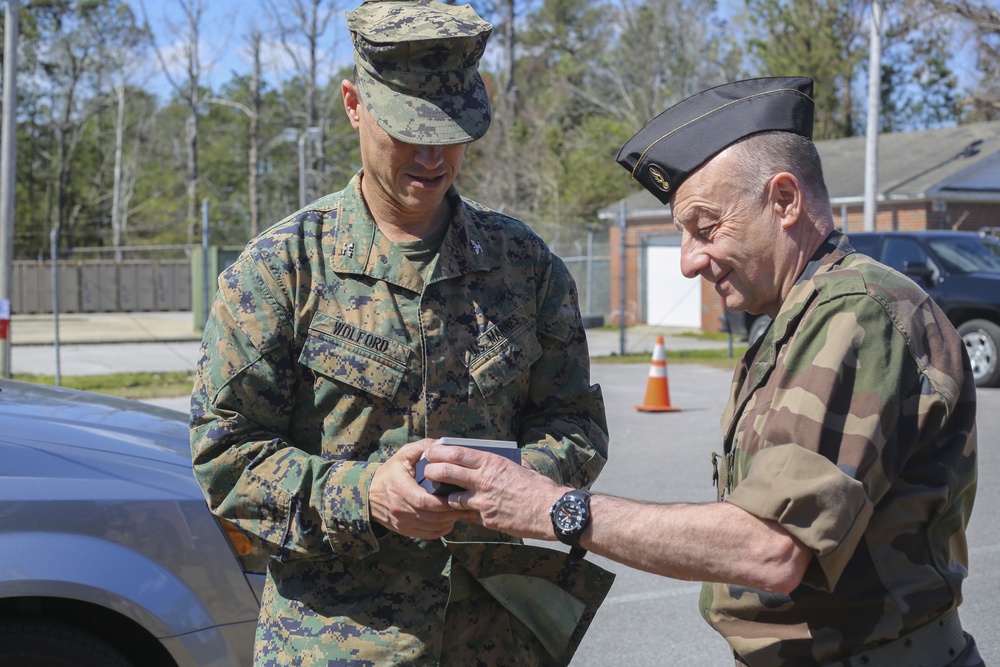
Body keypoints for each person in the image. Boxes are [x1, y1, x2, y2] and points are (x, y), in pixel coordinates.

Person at [422, 76, 983, 666]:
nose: (689, 261)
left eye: (706, 228)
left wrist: (552, 508)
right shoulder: (805, 316)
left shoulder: (857, 315)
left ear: (785, 200)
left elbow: (770, 548)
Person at [189, 0, 611, 665]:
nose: (433, 153)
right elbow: (227, 457)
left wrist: (519, 483)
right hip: (337, 642)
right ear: (354, 104)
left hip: (495, 639)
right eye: (409, 128)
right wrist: (364, 494)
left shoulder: (523, 265)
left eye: (451, 129)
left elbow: (575, 424)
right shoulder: (282, 270)